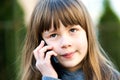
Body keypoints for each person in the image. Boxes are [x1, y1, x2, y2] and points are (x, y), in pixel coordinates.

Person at [19, 0, 120, 80]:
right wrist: (49, 77)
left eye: (73, 30)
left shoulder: (111, 77)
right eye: (53, 35)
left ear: (87, 33)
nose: (66, 43)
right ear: (41, 43)